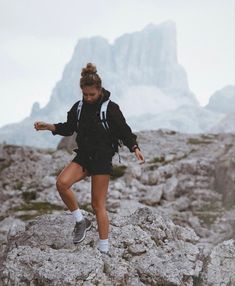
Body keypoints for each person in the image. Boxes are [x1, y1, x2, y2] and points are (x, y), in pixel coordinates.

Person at [34, 63, 145, 254]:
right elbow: (69, 127)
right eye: (85, 94)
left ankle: (104, 249)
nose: (88, 98)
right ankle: (80, 221)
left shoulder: (110, 108)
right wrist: (49, 126)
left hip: (102, 159)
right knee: (61, 183)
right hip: (84, 156)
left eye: (91, 95)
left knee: (97, 205)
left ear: (99, 90)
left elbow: (124, 131)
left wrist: (134, 147)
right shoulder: (78, 107)